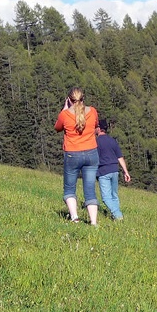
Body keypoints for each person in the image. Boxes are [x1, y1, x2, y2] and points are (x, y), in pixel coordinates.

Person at [54, 86, 100, 225]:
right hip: (92, 153)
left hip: (72, 154)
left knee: (69, 188)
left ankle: (75, 218)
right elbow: (96, 125)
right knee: (90, 189)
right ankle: (93, 222)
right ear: (83, 99)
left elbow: (57, 128)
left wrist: (64, 109)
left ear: (69, 99)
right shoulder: (92, 111)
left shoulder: (65, 114)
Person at [96, 119, 131, 220]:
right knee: (114, 195)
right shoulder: (112, 141)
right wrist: (126, 172)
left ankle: (118, 215)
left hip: (103, 171)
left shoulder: (96, 141)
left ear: (99, 128)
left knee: (106, 198)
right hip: (115, 170)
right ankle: (115, 216)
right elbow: (120, 157)